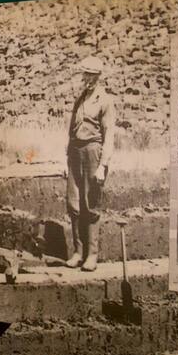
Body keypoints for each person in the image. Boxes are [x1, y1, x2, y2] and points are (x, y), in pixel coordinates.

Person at [64, 57, 115, 272]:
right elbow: (71, 133)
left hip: (94, 152)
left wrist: (103, 165)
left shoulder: (105, 101)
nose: (87, 79)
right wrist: (65, 159)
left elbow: (109, 134)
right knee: (73, 203)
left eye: (92, 75)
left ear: (98, 77)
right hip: (75, 153)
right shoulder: (80, 99)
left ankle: (92, 256)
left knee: (91, 205)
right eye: (85, 74)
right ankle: (78, 252)